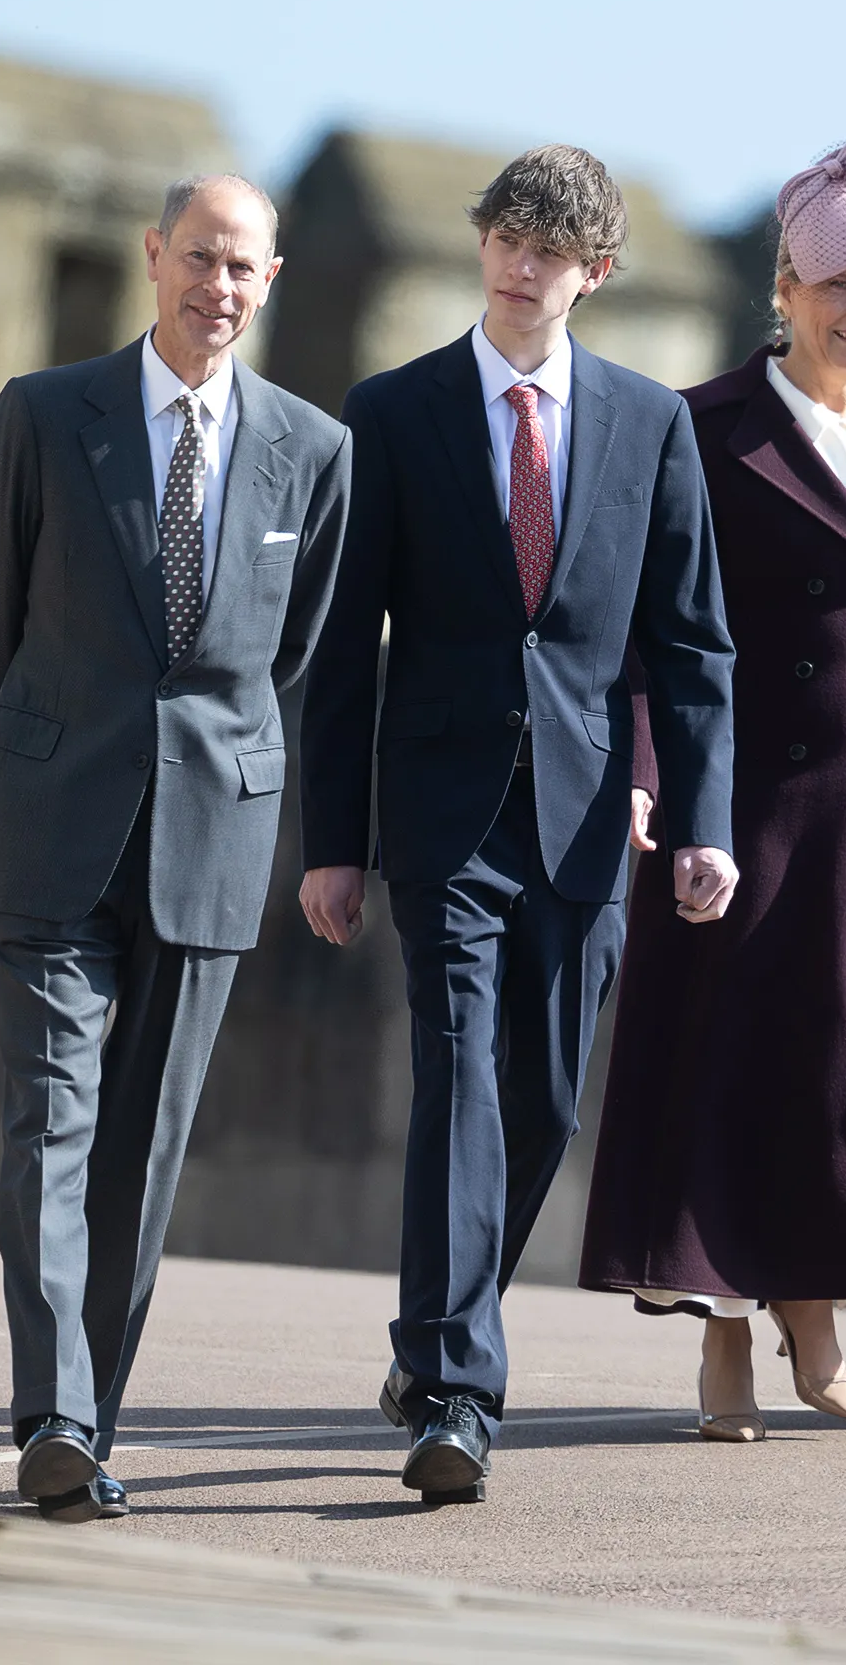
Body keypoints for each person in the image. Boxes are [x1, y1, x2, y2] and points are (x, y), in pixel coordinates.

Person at [297, 144, 737, 1504]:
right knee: (456, 1084)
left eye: (550, 248)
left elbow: (691, 643)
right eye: (505, 236)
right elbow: (342, 645)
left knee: (539, 1101)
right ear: (481, 243)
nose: (521, 262)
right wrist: (334, 837)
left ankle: (436, 1326)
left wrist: (707, 817)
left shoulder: (651, 423)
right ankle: (451, 1387)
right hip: (439, 816)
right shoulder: (394, 410)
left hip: (590, 817)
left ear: (593, 272)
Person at [579, 132, 846, 1442]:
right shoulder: (704, 433)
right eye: (838, 288)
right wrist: (651, 778)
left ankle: (814, 1297)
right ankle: (728, 1329)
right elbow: (649, 634)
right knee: (738, 1069)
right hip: (745, 812)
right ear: (785, 288)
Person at [0, 174, 351, 1522]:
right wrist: (71, 739)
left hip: (209, 847)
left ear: (273, 279)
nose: (216, 288)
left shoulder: (314, 452)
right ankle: (55, 1414)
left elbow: (282, 658)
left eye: (242, 267)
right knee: (51, 1124)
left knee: (144, 1148)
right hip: (53, 833)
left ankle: (88, 1422)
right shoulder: (43, 418)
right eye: (197, 259)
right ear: (150, 257)